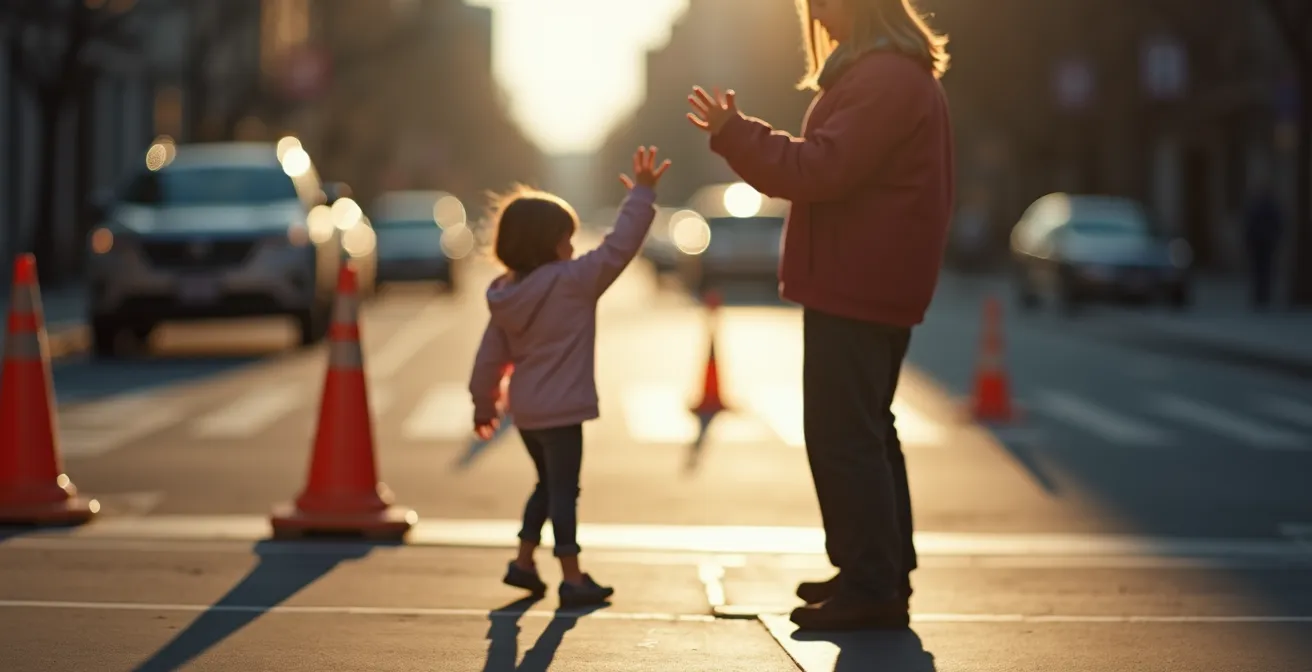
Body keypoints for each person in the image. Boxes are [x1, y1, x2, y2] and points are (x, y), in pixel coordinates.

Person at [686, 0, 954, 630]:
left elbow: (819, 168)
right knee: (865, 432)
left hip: (859, 281)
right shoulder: (884, 75)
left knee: (844, 438)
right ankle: (877, 572)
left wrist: (736, 133)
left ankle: (872, 584)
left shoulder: (884, 77)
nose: (819, 14)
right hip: (869, 279)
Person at [468, 147, 670, 608]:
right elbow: (621, 247)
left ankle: (522, 563)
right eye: (566, 239)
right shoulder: (574, 281)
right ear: (548, 244)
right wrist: (641, 194)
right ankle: (572, 576)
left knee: (545, 485)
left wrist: (485, 405)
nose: (573, 247)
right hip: (562, 412)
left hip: (527, 412)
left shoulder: (505, 295)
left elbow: (488, 359)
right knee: (564, 492)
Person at [1243, 181, 1283, 310]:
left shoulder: (1259, 207)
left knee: (1261, 270)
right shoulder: (1266, 207)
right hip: (1263, 243)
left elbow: (1249, 226)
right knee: (1263, 271)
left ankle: (1261, 296)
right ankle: (1262, 296)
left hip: (1262, 243)